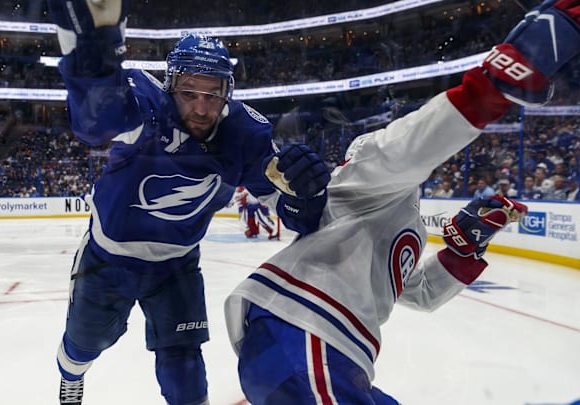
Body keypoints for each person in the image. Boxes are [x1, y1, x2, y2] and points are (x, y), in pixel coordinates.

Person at [224, 1, 580, 403]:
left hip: (315, 346)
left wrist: (465, 249)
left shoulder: (398, 218)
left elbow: (420, 292)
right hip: (307, 331)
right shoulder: (366, 173)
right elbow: (404, 148)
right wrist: (494, 84)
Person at [46, 1, 281, 404]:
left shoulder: (243, 134)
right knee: (84, 344)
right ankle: (72, 375)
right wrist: (94, 64)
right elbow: (95, 123)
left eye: (213, 93)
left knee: (186, 373)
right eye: (189, 92)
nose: (202, 106)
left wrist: (305, 188)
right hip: (110, 258)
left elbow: (287, 200)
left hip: (176, 264)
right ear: (171, 85)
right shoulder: (147, 111)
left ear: (228, 91)